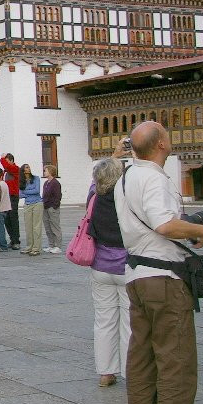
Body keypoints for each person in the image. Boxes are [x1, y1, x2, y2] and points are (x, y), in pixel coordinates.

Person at [115, 121, 203, 404]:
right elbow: (164, 225)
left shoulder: (125, 178)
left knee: (142, 357)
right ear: (160, 145)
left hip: (136, 276)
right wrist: (199, 231)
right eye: (166, 136)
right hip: (164, 278)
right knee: (175, 360)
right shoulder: (154, 178)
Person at [86, 155, 129, 388]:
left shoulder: (94, 196)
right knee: (129, 322)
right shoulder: (126, 198)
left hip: (100, 266)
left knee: (104, 321)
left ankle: (106, 372)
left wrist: (113, 154)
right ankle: (130, 371)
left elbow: (97, 179)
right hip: (125, 266)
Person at [19, 163, 44, 256]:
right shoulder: (21, 181)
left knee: (36, 226)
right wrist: (28, 192)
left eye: (29, 167)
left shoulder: (36, 178)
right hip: (27, 204)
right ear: (23, 170)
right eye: (26, 167)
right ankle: (29, 246)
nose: (28, 169)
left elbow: (37, 190)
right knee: (28, 226)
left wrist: (26, 192)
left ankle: (36, 247)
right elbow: (20, 195)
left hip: (37, 203)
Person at [0, 154, 22, 249]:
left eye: (7, 160)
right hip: (6, 197)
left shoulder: (16, 169)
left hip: (13, 196)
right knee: (7, 219)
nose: (5, 163)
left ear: (12, 161)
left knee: (13, 218)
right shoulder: (6, 172)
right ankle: (12, 239)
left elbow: (7, 166)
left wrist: (2, 158)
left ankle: (16, 240)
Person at [42, 164, 63, 254]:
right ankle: (51, 245)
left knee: (55, 227)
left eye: (45, 170)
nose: (44, 172)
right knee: (48, 227)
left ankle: (58, 246)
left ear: (50, 172)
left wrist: (54, 206)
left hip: (52, 207)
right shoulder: (46, 183)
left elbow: (58, 196)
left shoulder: (55, 183)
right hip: (45, 207)